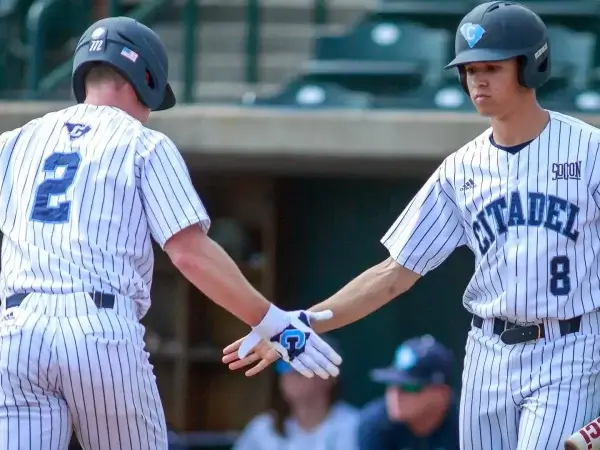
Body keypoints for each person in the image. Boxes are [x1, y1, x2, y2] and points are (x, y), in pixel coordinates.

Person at [223, 2, 600, 449]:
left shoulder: (589, 151)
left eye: (492, 67)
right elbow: (392, 274)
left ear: (531, 66)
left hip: (570, 344)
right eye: (469, 68)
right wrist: (305, 321)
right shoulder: (462, 168)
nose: (477, 80)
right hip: (488, 351)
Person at [0, 16, 341, 450]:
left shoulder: (14, 141)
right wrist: (275, 323)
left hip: (13, 332)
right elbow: (189, 253)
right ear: (144, 78)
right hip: (96, 326)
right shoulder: (143, 143)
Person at [233, 335, 359, 450]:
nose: (292, 370)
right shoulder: (262, 428)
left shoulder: (355, 427)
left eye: (303, 362)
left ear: (331, 375)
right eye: (285, 363)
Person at [358, 335, 459, 450]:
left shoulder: (465, 426)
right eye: (391, 383)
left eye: (410, 387)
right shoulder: (375, 424)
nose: (395, 394)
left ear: (442, 393)